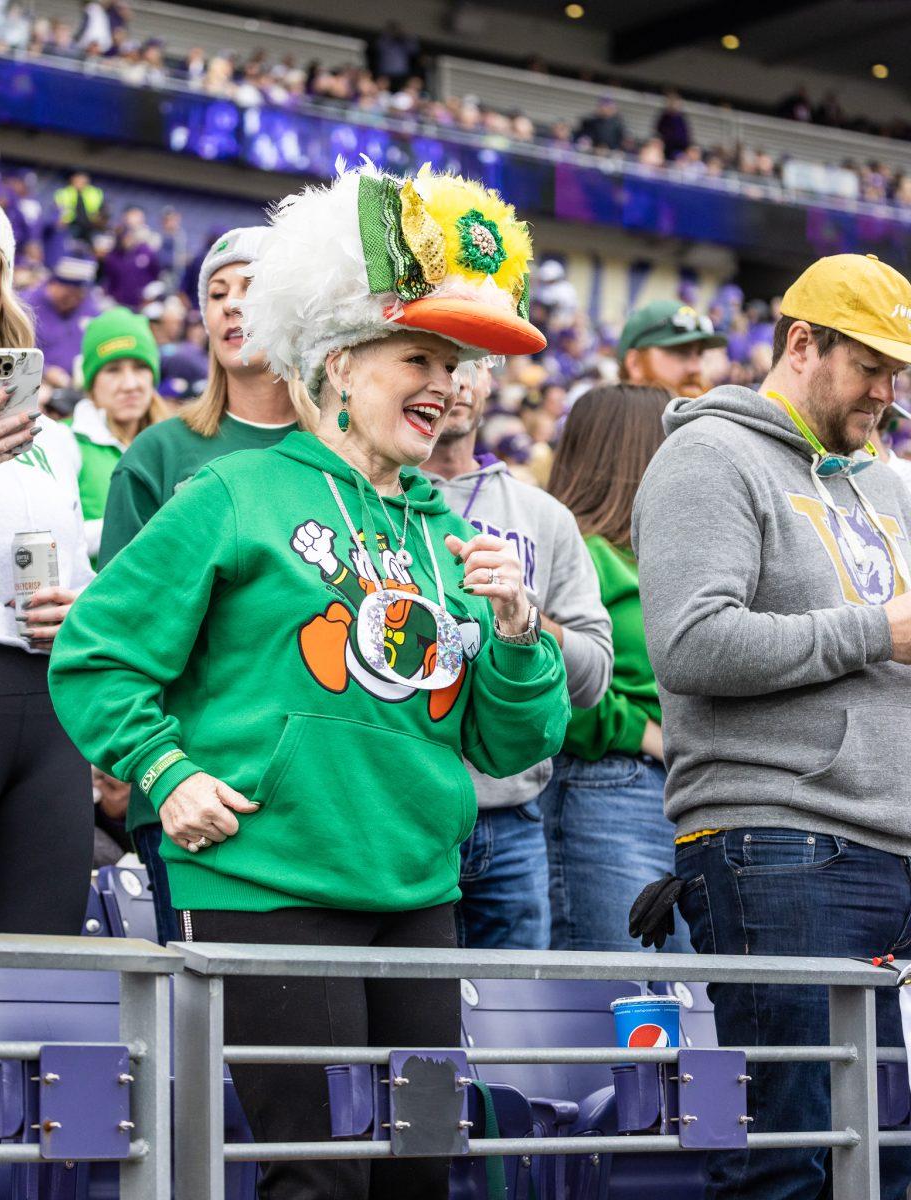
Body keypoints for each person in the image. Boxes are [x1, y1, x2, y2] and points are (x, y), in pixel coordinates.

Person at [49, 164, 568, 1200]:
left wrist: (517, 633)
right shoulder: (230, 493)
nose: (452, 385)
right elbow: (97, 652)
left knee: (423, 1169)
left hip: (417, 887)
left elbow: (512, 743)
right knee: (324, 1175)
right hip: (268, 884)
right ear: (335, 365)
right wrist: (165, 770)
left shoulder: (452, 534)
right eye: (421, 355)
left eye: (461, 365)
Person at [632, 252, 911, 1199]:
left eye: (896, 371)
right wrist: (881, 629)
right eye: (869, 365)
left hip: (893, 838)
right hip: (779, 840)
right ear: (802, 343)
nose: (887, 390)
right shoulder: (708, 456)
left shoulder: (891, 484)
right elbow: (692, 644)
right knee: (793, 1155)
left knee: (889, 1156)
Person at [97, 227, 311, 944]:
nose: (230, 306)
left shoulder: (345, 452)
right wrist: (149, 768)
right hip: (196, 798)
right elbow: (117, 639)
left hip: (318, 805)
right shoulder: (159, 454)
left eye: (250, 288)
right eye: (216, 293)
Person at [423, 360, 612, 948]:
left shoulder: (543, 516)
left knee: (515, 1021)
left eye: (468, 367)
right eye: (433, 362)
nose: (454, 383)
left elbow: (592, 678)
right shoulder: (366, 502)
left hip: (512, 820)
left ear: (489, 384)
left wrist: (521, 617)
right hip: (405, 809)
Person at [0, 184, 93, 932]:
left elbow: (83, 579)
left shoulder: (53, 438)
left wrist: (79, 609)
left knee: (38, 968)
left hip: (49, 715)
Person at [539, 382, 690, 951]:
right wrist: (647, 735)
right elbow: (549, 679)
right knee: (617, 997)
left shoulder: (665, 557)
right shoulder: (580, 554)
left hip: (679, 792)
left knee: (681, 1004)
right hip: (607, 787)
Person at [69, 306, 169, 561]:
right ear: (91, 382)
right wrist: (142, 525)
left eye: (139, 367)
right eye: (113, 369)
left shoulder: (174, 442)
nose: (130, 384)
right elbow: (50, 539)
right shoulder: (65, 441)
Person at [618, 299, 726, 399]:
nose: (696, 369)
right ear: (635, 364)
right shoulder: (606, 418)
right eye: (681, 352)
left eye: (700, 354)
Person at [20, 253, 102, 382]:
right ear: (53, 284)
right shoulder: (25, 307)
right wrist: (44, 372)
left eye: (79, 295)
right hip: (36, 385)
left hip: (78, 387)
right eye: (68, 294)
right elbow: (12, 351)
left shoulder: (89, 307)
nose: (74, 300)